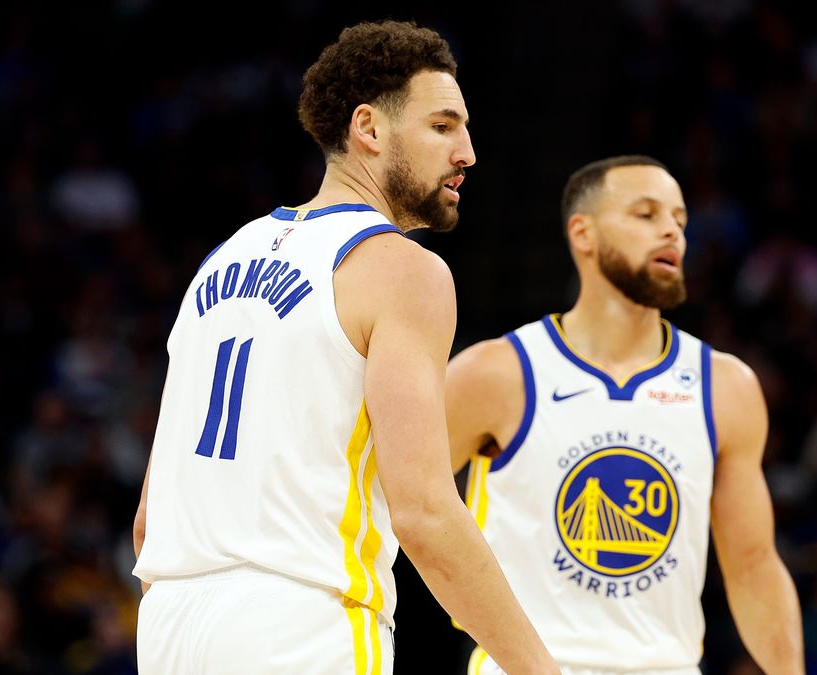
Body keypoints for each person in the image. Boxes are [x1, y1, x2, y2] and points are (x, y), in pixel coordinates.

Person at [131, 21, 557, 675]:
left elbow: (147, 522)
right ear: (369, 128)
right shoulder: (402, 270)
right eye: (443, 126)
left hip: (169, 625)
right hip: (300, 624)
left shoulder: (219, 261)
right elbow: (422, 511)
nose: (468, 151)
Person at [445, 156, 804, 674]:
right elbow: (408, 511)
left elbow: (752, 568)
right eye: (645, 214)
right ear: (582, 234)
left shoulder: (726, 387)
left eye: (680, 220)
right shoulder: (496, 373)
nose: (671, 232)